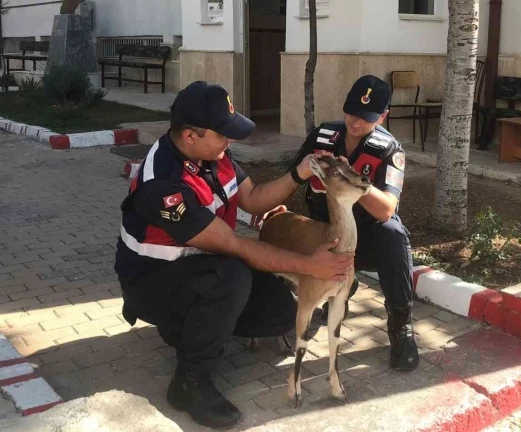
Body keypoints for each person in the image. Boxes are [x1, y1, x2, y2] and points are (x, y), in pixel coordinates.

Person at [113, 81, 353, 429]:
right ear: (191, 136)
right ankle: (189, 383)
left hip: (196, 268)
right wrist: (309, 265)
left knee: (280, 313)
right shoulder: (164, 184)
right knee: (230, 278)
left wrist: (301, 171)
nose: (231, 141)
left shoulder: (213, 154)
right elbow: (235, 245)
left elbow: (253, 197)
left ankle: (188, 329)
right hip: (151, 282)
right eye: (223, 134)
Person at [283, 75, 420, 372]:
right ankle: (338, 284)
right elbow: (294, 173)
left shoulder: (389, 150)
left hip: (367, 236)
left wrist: (350, 180)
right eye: (351, 112)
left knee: (394, 234)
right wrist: (312, 166)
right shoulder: (323, 135)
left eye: (366, 117)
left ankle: (401, 325)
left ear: (383, 116)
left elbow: (386, 210)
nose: (355, 122)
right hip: (325, 233)